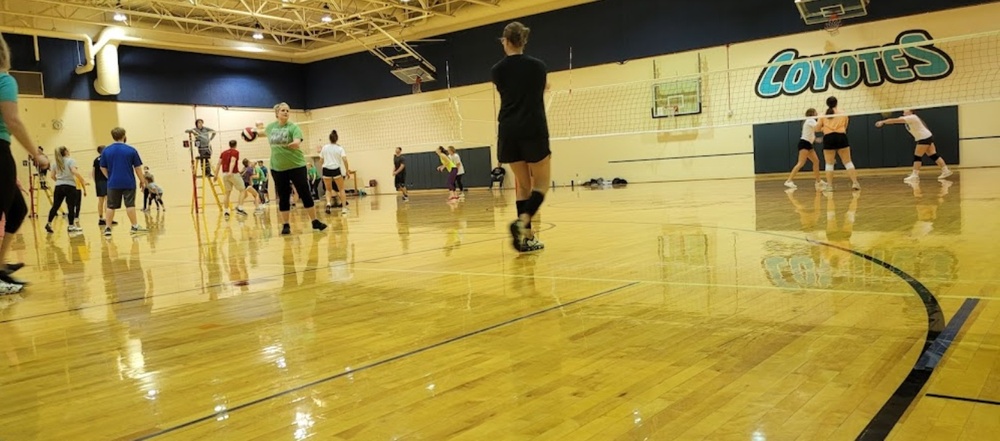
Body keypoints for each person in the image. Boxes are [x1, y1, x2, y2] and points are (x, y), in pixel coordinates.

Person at [492, 21, 550, 252]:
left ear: (505, 41)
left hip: (508, 131)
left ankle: (527, 237)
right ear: (523, 41)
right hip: (533, 129)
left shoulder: (496, 70)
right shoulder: (538, 67)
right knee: (542, 185)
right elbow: (536, 87)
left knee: (523, 186)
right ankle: (522, 223)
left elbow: (511, 89)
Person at [0, 33, 48, 286]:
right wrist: (36, 154)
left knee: (17, 208)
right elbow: (13, 121)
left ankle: (0, 265)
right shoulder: (4, 80)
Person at [252, 102, 326, 234]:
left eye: (287, 110)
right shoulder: (271, 128)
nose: (286, 112)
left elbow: (298, 140)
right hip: (278, 168)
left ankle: (314, 221)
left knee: (305, 193)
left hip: (296, 166)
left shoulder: (293, 127)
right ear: (277, 113)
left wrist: (295, 143)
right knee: (283, 195)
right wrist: (252, 131)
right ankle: (286, 225)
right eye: (283, 110)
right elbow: (261, 133)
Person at [875, 109, 953, 182]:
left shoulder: (912, 117)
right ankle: (945, 170)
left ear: (911, 111)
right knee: (933, 154)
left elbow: (895, 120)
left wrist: (883, 122)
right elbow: (894, 121)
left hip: (924, 137)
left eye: (906, 109)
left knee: (917, 156)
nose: (904, 110)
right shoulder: (907, 117)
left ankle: (915, 175)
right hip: (927, 136)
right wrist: (885, 121)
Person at [99, 127, 149, 236]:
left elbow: (102, 167)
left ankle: (107, 228)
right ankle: (134, 226)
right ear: (124, 136)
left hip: (113, 183)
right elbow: (138, 168)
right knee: (130, 204)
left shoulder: (106, 151)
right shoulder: (131, 150)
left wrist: (109, 176)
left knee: (110, 206)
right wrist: (142, 181)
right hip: (128, 182)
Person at [815, 96, 860, 191]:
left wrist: (824, 128)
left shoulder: (822, 115)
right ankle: (855, 183)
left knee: (829, 163)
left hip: (828, 138)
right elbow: (845, 126)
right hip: (841, 136)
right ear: (836, 103)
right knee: (848, 162)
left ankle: (830, 186)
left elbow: (817, 129)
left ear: (827, 104)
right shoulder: (843, 113)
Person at [45, 146, 86, 234]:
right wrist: (82, 180)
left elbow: (52, 176)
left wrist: (59, 181)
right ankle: (71, 226)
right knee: (71, 206)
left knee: (55, 205)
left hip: (58, 186)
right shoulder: (71, 160)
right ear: (66, 152)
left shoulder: (54, 163)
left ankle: (48, 223)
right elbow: (74, 171)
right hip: (70, 186)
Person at [784, 109, 825, 190]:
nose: (817, 113)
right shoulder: (810, 120)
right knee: (801, 163)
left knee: (816, 161)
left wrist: (816, 139)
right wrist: (821, 118)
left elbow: (810, 134)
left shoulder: (809, 121)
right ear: (812, 113)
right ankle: (789, 181)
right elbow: (818, 128)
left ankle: (818, 181)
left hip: (808, 144)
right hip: (804, 144)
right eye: (816, 112)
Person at [320, 130, 351, 215]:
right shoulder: (339, 148)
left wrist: (324, 167)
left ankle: (328, 203)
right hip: (335, 169)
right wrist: (347, 170)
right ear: (337, 139)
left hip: (326, 169)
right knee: (341, 189)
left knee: (328, 189)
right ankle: (344, 208)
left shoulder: (325, 147)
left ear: (329, 139)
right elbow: (345, 160)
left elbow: (321, 160)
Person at [215, 139, 247, 218]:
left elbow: (218, 164)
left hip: (224, 174)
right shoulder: (235, 152)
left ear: (229, 145)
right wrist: (230, 171)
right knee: (243, 190)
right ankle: (240, 208)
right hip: (233, 174)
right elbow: (233, 161)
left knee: (227, 193)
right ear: (235, 145)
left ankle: (226, 211)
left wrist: (215, 175)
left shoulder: (223, 153)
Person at [93, 145, 116, 226]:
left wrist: (96, 182)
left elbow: (93, 172)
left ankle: (100, 218)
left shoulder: (96, 160)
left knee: (100, 200)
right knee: (107, 199)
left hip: (98, 182)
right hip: (106, 181)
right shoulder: (107, 158)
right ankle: (108, 218)